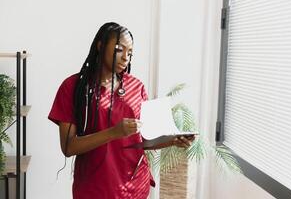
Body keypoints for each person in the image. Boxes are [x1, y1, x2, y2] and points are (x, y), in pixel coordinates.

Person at [48, 22, 195, 199]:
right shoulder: (73, 87)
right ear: (100, 46)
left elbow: (144, 139)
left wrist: (172, 140)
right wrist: (113, 132)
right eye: (119, 49)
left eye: (130, 53)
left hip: (135, 187)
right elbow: (68, 147)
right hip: (94, 190)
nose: (126, 57)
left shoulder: (136, 87)